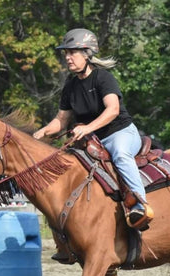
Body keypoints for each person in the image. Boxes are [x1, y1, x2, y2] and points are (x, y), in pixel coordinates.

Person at [33, 28, 154, 262]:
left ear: (87, 54)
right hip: (92, 140)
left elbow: (113, 110)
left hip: (120, 133)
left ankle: (140, 206)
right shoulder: (70, 85)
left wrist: (87, 128)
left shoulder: (102, 78)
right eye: (66, 53)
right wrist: (41, 133)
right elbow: (61, 120)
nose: (68, 57)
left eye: (73, 52)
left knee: (120, 155)